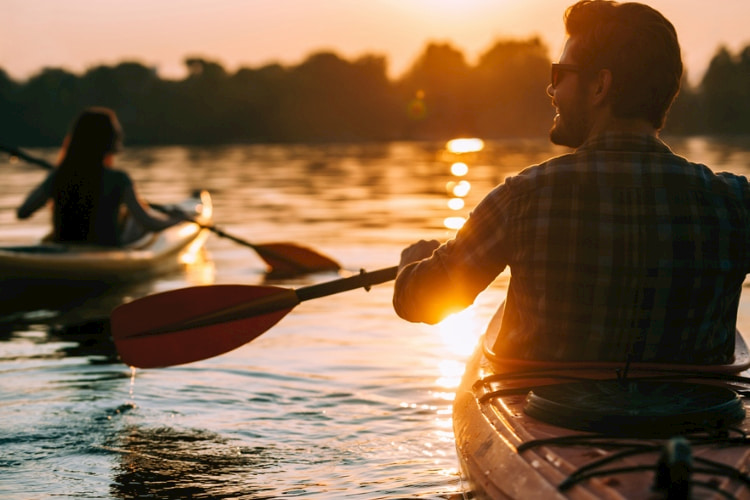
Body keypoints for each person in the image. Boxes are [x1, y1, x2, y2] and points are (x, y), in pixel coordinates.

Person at [393, 0, 749, 365]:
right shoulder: (736, 203)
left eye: (559, 74)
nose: (551, 90)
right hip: (698, 416)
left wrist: (412, 265)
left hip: (554, 411)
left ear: (599, 86)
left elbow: (419, 301)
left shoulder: (523, 199)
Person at [17, 107, 182, 246]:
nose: (120, 135)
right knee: (132, 220)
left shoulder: (59, 176)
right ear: (108, 139)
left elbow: (23, 212)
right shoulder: (119, 179)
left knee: (128, 218)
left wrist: (55, 177)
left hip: (63, 247)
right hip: (105, 251)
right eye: (115, 131)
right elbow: (149, 223)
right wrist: (176, 221)